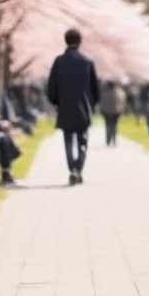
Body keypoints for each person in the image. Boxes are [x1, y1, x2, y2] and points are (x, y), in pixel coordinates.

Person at [46, 28, 100, 185]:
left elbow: (51, 87)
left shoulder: (59, 61)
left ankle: (72, 170)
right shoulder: (87, 62)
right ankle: (79, 168)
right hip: (83, 108)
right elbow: (95, 88)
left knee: (68, 141)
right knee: (83, 140)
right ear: (80, 41)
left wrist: (57, 102)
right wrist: (92, 104)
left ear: (65, 40)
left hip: (65, 107)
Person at [99, 79, 126, 147]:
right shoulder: (118, 91)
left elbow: (101, 102)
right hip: (115, 112)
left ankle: (108, 139)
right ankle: (113, 139)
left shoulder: (104, 92)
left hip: (106, 111)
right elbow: (122, 101)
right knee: (114, 126)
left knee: (108, 125)